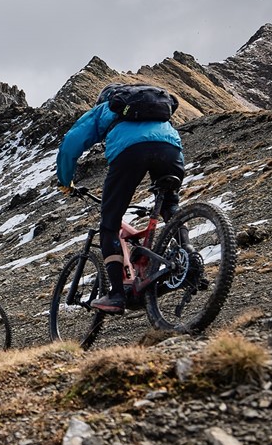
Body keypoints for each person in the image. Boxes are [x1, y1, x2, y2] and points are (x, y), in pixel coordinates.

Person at [56, 83, 185, 313]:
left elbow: (70, 145)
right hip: (171, 150)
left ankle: (116, 294)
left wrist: (66, 182)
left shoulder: (104, 109)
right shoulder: (154, 108)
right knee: (170, 206)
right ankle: (189, 260)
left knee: (109, 224)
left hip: (130, 153)